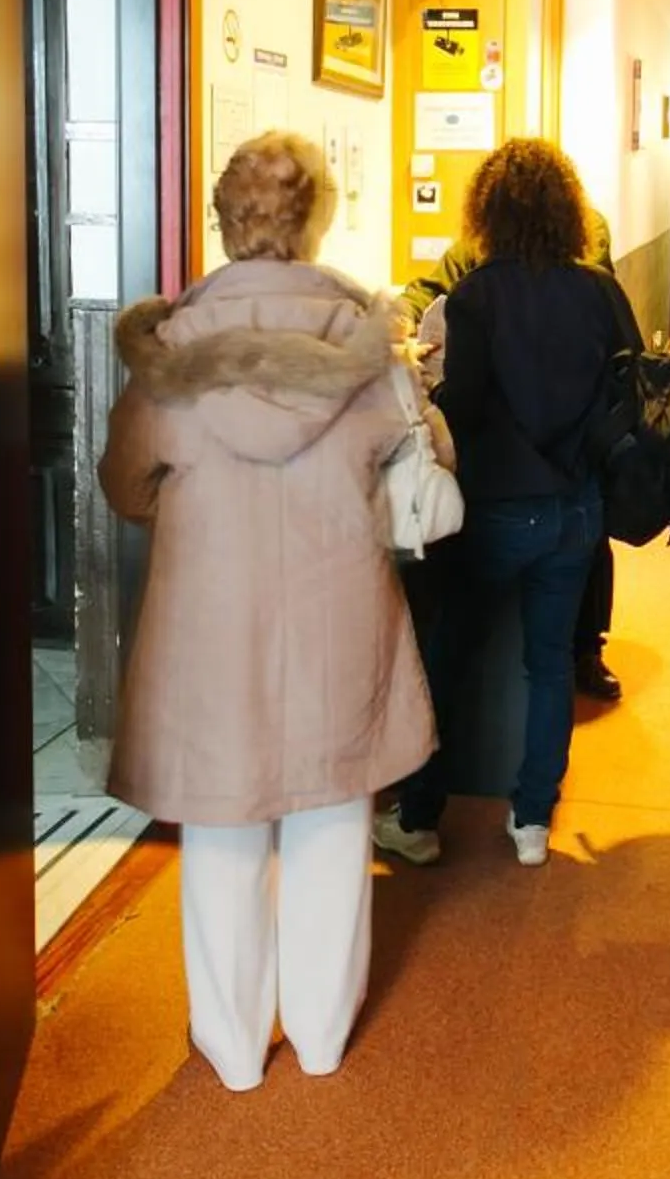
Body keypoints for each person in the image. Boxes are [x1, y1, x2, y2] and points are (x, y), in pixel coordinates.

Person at [98, 130, 444, 1091]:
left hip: (209, 629)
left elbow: (126, 488)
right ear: (316, 219)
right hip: (339, 617)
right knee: (334, 822)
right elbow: (420, 462)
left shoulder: (171, 349)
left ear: (221, 219)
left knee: (220, 830)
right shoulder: (367, 343)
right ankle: (325, 1039)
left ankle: (235, 1049)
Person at [378, 138, 637, 869]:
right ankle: (530, 821)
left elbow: (457, 403)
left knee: (447, 656)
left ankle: (421, 819)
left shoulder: (474, 299)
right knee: (550, 663)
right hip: (577, 509)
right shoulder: (600, 292)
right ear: (568, 212)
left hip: (495, 510)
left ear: (484, 212)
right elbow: (628, 389)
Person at [402, 199, 629, 701]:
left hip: (510, 479)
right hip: (574, 477)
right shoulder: (486, 269)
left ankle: (586, 651)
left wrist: (437, 398)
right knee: (550, 653)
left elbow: (461, 402)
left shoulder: (572, 264)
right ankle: (575, 669)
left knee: (458, 640)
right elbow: (629, 376)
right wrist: (402, 317)